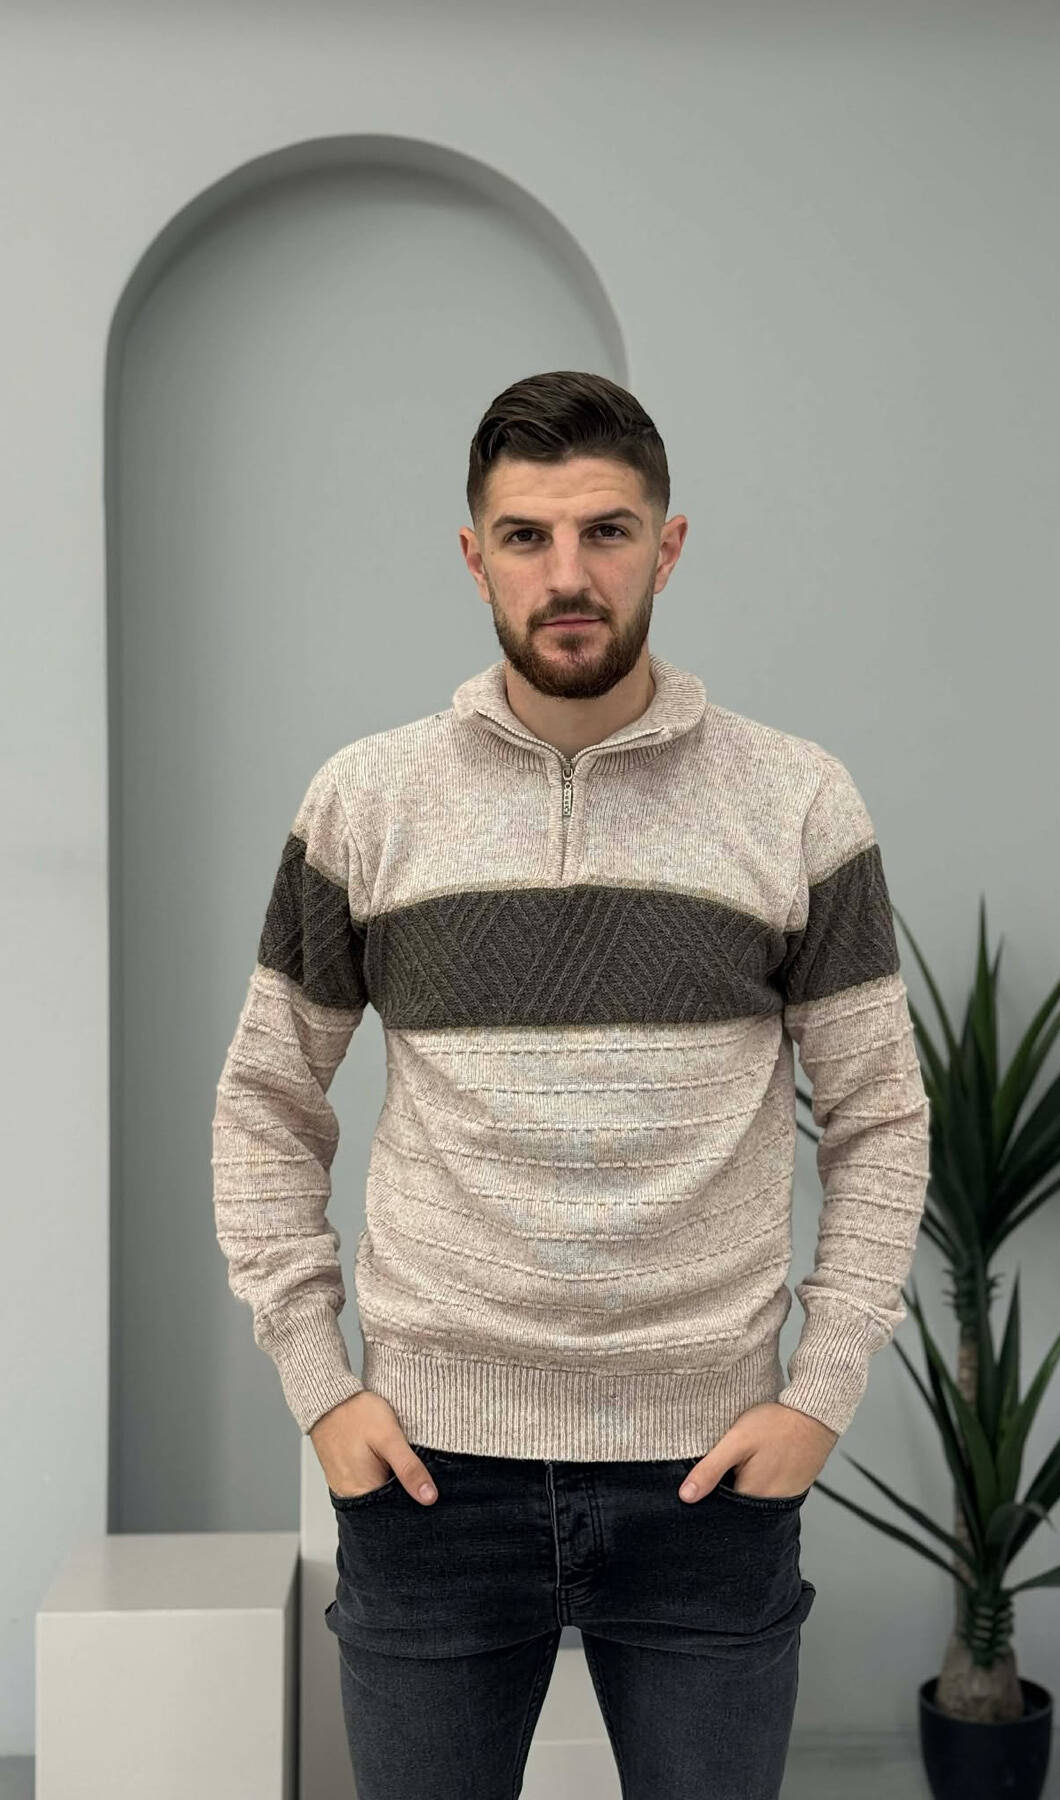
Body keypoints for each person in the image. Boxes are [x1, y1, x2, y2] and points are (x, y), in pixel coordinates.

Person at [211, 369, 930, 1799]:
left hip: (710, 1474)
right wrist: (319, 1384)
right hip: (429, 1474)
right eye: (526, 537)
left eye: (607, 532)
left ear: (669, 546)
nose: (568, 576)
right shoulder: (368, 801)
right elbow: (265, 1102)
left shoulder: (797, 801)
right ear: (473, 556)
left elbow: (880, 1117)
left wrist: (822, 1392)